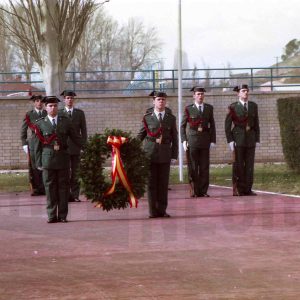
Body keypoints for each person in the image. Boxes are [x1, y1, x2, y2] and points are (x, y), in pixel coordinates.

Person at [34, 96, 83, 223]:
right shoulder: (40, 123)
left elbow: (76, 138)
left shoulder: (65, 121)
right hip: (48, 161)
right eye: (50, 106)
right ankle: (51, 215)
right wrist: (38, 163)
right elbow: (37, 146)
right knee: (50, 189)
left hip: (63, 159)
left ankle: (62, 216)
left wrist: (89, 148)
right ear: (45, 107)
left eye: (55, 105)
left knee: (63, 188)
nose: (53, 108)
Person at [137, 91, 178, 218]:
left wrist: (174, 155)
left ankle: (162, 210)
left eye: (163, 99)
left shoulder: (171, 118)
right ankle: (152, 211)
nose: (161, 102)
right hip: (150, 153)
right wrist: (131, 148)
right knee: (151, 183)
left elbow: (175, 137)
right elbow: (140, 135)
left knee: (163, 184)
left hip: (165, 153)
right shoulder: (147, 117)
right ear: (153, 101)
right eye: (159, 99)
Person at [180, 87, 216, 197]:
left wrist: (212, 140)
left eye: (202, 94)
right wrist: (184, 140)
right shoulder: (188, 109)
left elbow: (212, 125)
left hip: (205, 140)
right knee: (193, 167)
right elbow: (182, 126)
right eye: (198, 94)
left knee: (204, 167)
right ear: (194, 96)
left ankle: (203, 191)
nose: (200, 96)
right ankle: (194, 191)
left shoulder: (209, 108)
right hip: (193, 140)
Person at [225, 84, 260, 196]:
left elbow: (256, 124)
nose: (246, 93)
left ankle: (248, 189)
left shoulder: (253, 106)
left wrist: (257, 139)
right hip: (238, 139)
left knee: (250, 165)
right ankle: (239, 188)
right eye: (243, 91)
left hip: (250, 139)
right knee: (239, 164)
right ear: (238, 93)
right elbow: (227, 125)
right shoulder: (233, 107)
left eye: (247, 91)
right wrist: (230, 140)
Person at [59, 90, 87, 202]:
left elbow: (83, 131)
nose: (69, 100)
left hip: (76, 146)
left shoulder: (79, 113)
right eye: (67, 98)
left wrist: (84, 145)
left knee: (76, 172)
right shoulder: (60, 113)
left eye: (71, 98)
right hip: (64, 147)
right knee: (65, 172)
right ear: (64, 99)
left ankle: (75, 195)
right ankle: (66, 195)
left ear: (73, 99)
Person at [21, 95, 47, 196]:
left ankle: (45, 187)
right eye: (37, 101)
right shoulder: (29, 114)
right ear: (34, 103)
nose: (39, 103)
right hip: (33, 143)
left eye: (41, 101)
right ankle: (36, 188)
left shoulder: (46, 113)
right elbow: (23, 130)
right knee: (34, 166)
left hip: (45, 142)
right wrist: (24, 144)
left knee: (45, 164)